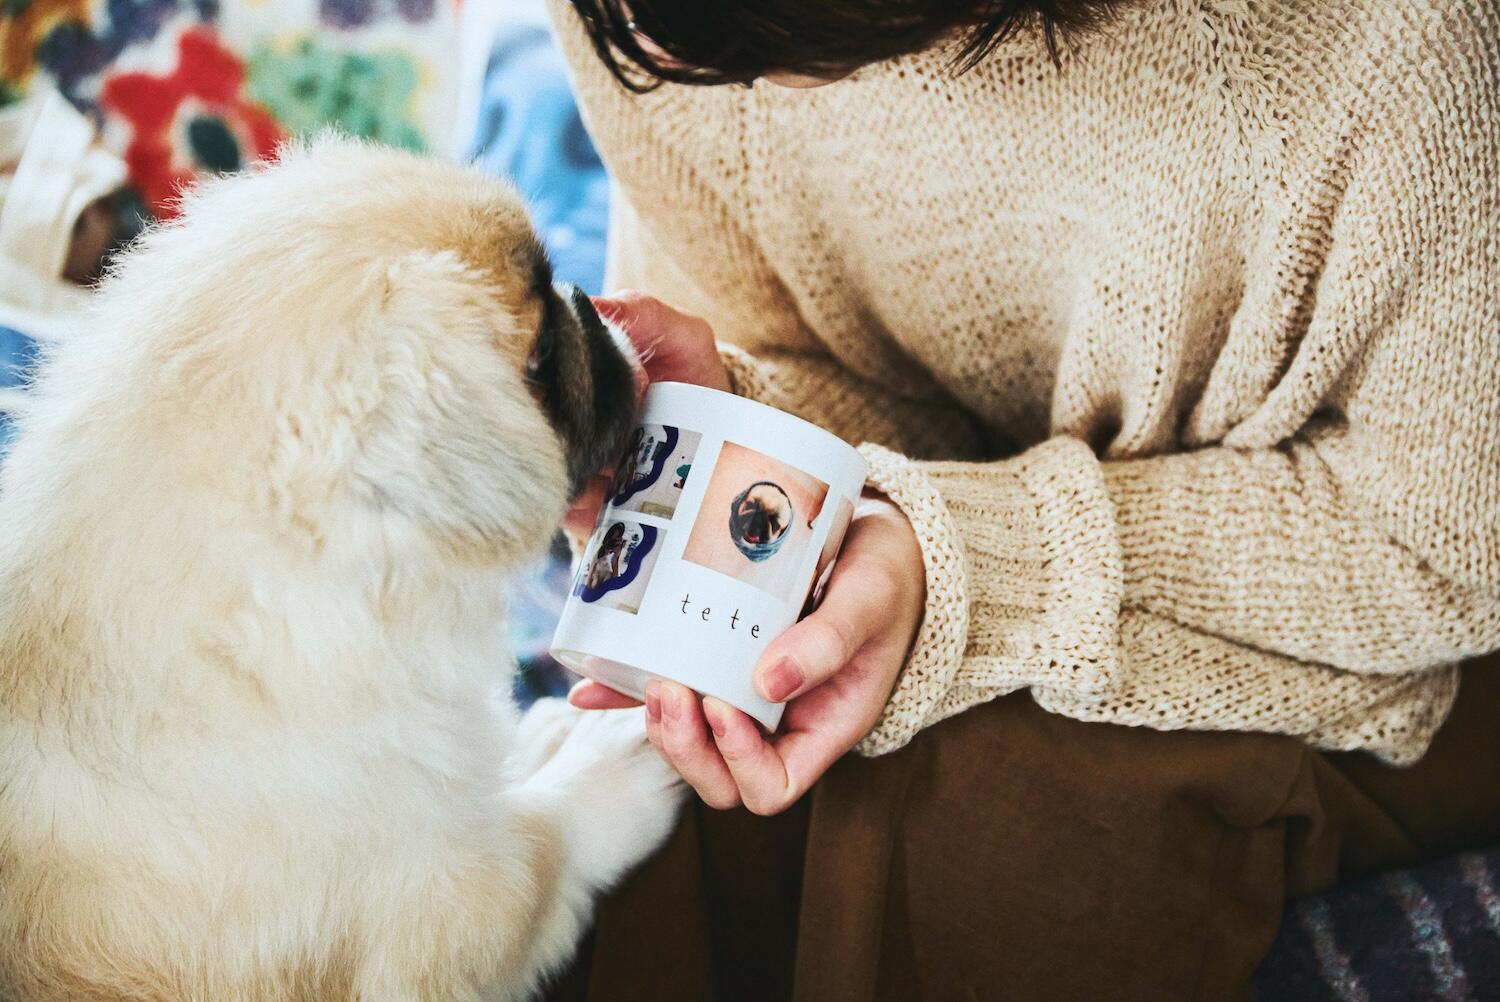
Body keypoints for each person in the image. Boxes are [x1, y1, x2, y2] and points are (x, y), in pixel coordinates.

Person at [545, 1, 1500, 998]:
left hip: (1394, 609)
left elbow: (1440, 545)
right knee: (652, 793)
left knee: (998, 815)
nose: (650, 53)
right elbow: (828, 359)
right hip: (1076, 527)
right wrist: (743, 449)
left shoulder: (1395, 48)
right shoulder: (641, 21)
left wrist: (961, 562)